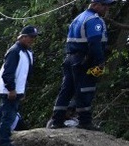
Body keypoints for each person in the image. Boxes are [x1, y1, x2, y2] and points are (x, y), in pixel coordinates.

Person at [47, 0, 115, 130]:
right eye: (105, 5)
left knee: (66, 90)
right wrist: (100, 61)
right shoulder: (93, 20)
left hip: (70, 58)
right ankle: (85, 121)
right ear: (95, 5)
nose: (107, 8)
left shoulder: (79, 18)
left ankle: (57, 120)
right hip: (84, 60)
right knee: (86, 89)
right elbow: (94, 43)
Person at [0, 26, 38, 146]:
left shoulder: (27, 52)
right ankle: (3, 142)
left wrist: (22, 90)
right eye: (30, 37)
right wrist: (11, 89)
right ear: (23, 37)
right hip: (9, 90)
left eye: (34, 37)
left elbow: (26, 74)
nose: (32, 40)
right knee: (8, 116)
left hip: (15, 89)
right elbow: (8, 73)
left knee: (0, 115)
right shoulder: (15, 51)